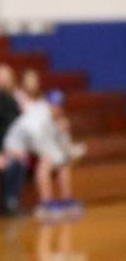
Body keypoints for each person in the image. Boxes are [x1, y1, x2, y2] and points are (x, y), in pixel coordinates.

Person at [5, 90, 85, 220]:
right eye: (55, 105)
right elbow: (39, 145)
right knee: (46, 160)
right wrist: (58, 157)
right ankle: (45, 203)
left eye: (60, 105)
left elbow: (60, 144)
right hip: (15, 149)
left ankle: (66, 200)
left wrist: (66, 141)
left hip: (32, 150)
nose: (57, 108)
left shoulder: (55, 119)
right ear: (48, 104)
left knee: (62, 163)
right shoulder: (38, 116)